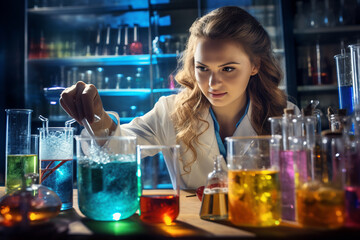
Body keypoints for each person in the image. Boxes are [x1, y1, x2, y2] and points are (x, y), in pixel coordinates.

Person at [60, 6, 299, 189]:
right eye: (203, 68)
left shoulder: (286, 116)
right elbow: (118, 151)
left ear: (255, 65)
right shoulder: (170, 111)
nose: (213, 83)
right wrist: (97, 119)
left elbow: (298, 190)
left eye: (227, 69)